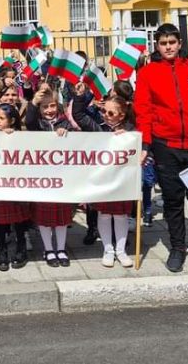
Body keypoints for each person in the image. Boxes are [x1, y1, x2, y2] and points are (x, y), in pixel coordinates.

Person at [133, 23, 188, 274]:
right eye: (163, 43)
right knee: (173, 202)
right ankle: (177, 248)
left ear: (180, 43)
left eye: (172, 42)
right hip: (166, 146)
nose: (168, 47)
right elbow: (143, 111)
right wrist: (145, 144)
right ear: (157, 46)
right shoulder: (147, 73)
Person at [72, 82, 135, 268]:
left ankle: (121, 251)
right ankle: (108, 250)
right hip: (102, 180)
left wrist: (129, 134)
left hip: (122, 180)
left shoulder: (131, 128)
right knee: (104, 214)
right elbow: (78, 115)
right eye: (104, 111)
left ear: (122, 115)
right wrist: (81, 96)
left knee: (121, 215)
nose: (105, 115)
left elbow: (142, 138)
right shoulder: (98, 127)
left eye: (111, 113)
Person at [26, 84, 75, 268]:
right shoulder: (36, 124)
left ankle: (61, 249)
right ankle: (48, 249)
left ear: (58, 106)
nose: (49, 110)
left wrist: (66, 134)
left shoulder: (65, 123)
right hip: (42, 178)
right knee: (44, 219)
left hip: (61, 178)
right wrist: (33, 102)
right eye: (44, 107)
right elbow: (29, 120)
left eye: (52, 106)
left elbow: (76, 144)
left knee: (61, 219)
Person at [0, 104, 30, 271]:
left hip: (16, 184)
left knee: (19, 220)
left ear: (12, 121)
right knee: (1, 222)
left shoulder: (20, 135)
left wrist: (13, 136)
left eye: (2, 118)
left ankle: (21, 248)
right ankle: (2, 251)